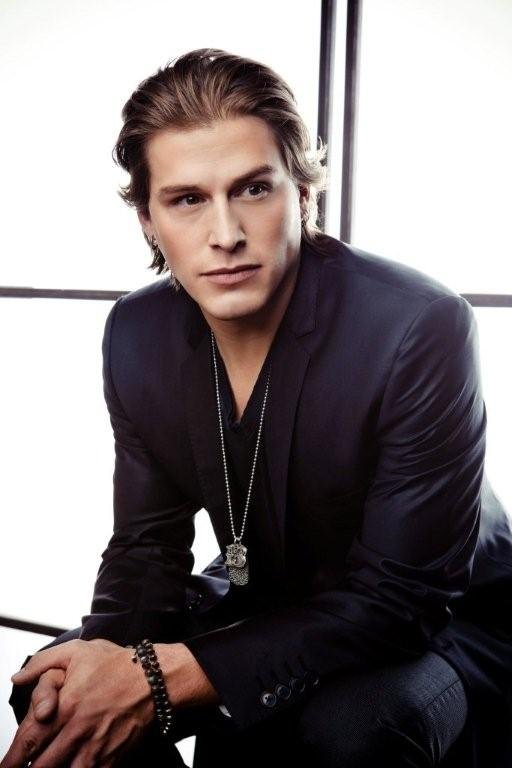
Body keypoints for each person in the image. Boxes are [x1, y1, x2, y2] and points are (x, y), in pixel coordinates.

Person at [3, 47, 512, 768]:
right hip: (260, 590)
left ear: (301, 194)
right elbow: (146, 548)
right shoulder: (138, 333)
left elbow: (401, 601)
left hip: (438, 623)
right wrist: (103, 661)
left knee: (349, 730)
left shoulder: (418, 325)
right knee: (56, 688)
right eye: (187, 200)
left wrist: (163, 676)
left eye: (252, 189)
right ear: (148, 220)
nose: (225, 234)